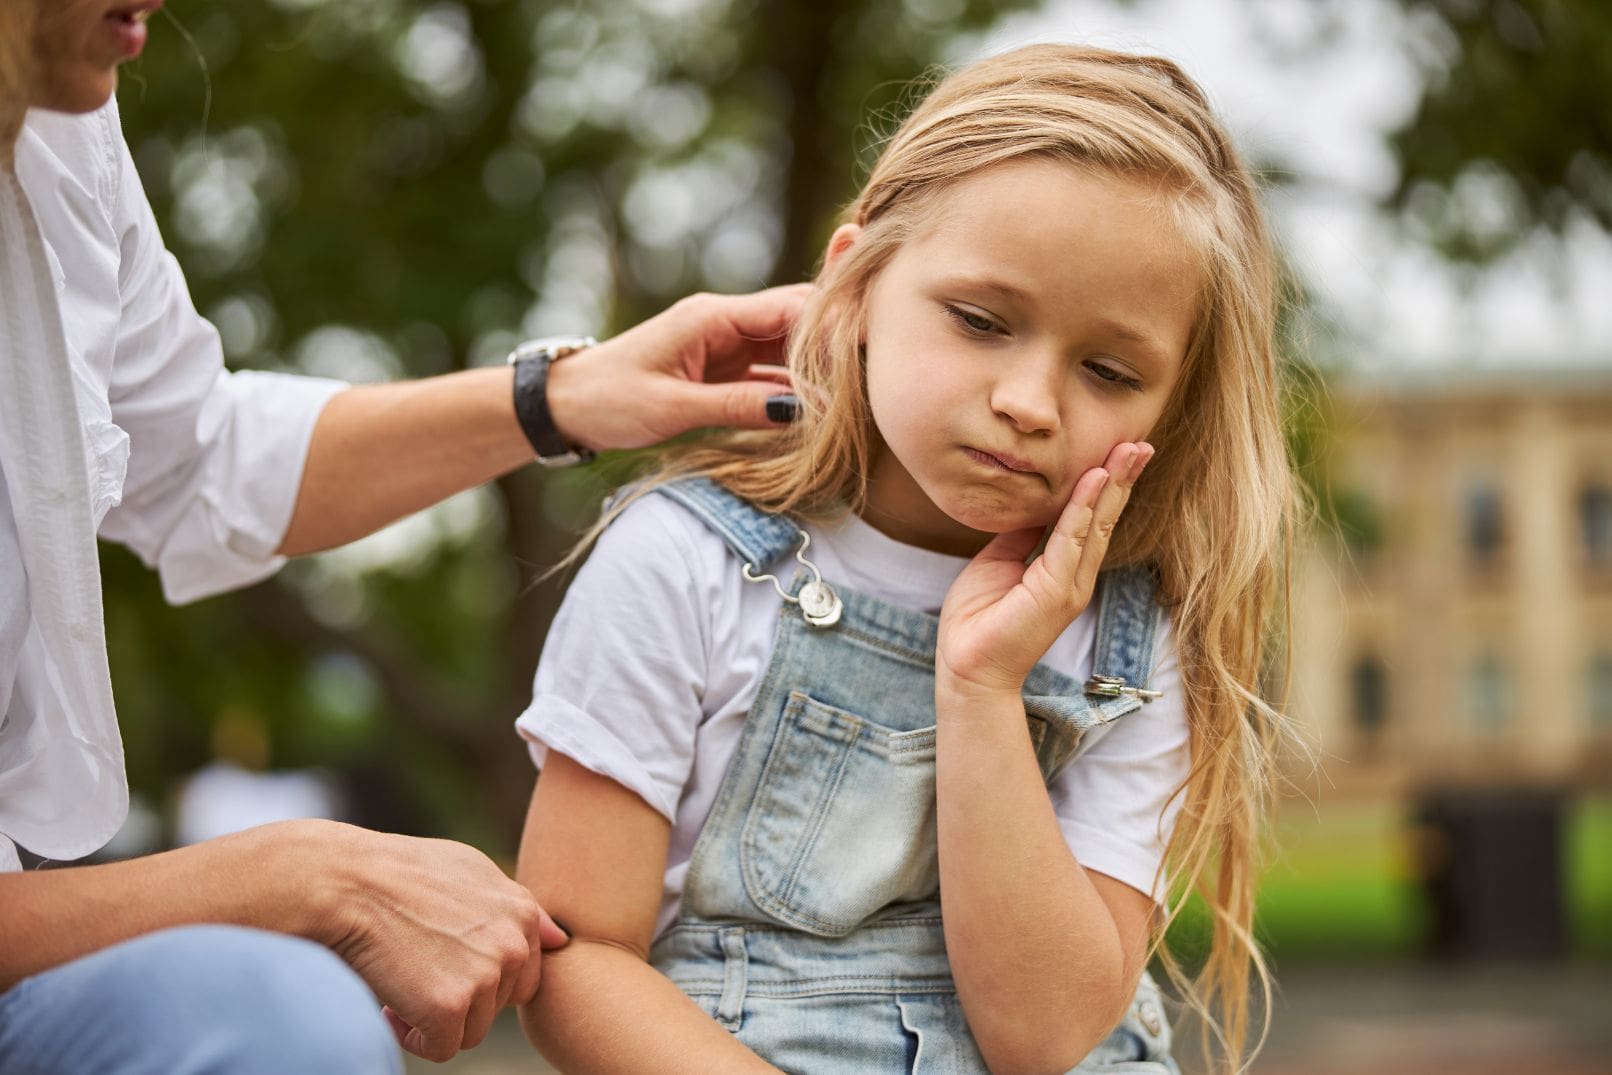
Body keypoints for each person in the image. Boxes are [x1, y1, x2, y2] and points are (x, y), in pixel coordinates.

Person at [0, 1, 806, 1072]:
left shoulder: (58, 132)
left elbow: (197, 457)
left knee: (278, 1020)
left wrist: (564, 396)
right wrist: (298, 878)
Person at [512, 42, 1296, 1075]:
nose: (1028, 401)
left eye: (1108, 370)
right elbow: (576, 959)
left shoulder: (1132, 640)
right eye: (980, 321)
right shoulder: (681, 564)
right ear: (855, 284)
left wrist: (983, 688)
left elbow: (1045, 1033)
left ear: (1171, 408)